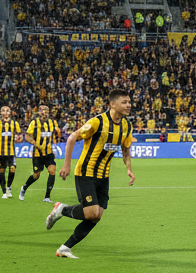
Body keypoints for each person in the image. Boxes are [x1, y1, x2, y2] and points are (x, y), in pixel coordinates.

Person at [46, 89, 135, 258]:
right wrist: (66, 165)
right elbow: (72, 137)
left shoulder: (126, 126)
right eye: (124, 102)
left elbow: (125, 149)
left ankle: (65, 248)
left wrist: (129, 169)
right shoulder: (97, 122)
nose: (128, 105)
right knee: (91, 212)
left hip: (104, 176)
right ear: (112, 104)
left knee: (96, 216)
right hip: (85, 172)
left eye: (129, 102)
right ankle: (61, 210)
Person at [20, 104, 61, 202]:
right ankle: (24, 187)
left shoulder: (52, 122)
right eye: (42, 110)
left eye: (46, 110)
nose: (44, 112)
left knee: (52, 171)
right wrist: (36, 144)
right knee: (36, 175)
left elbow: (56, 133)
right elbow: (27, 136)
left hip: (49, 153)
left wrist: (56, 140)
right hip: (38, 154)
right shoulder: (34, 123)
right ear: (39, 112)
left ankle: (47, 197)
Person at [0, 105, 22, 199]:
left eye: (7, 111)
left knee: (12, 169)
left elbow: (20, 136)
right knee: (2, 171)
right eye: (3, 111)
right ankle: (4, 192)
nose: (5, 112)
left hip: (11, 151)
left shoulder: (14, 123)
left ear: (10, 113)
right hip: (0, 152)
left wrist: (18, 138)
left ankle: (8, 188)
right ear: (1, 113)